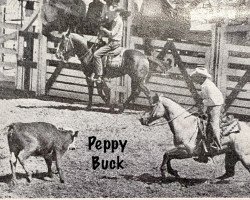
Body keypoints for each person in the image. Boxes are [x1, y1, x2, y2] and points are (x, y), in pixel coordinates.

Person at [190, 67, 224, 161]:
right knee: (203, 125)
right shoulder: (205, 84)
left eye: (196, 77)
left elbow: (212, 100)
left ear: (201, 77)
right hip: (212, 104)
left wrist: (203, 102)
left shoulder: (207, 86)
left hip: (215, 105)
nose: (195, 79)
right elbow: (205, 95)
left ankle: (217, 145)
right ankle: (203, 151)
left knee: (213, 125)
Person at [90, 0, 124, 83]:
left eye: (115, 12)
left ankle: (99, 75)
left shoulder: (118, 21)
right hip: (112, 42)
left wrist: (103, 29)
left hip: (113, 43)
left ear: (118, 12)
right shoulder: (115, 20)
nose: (113, 13)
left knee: (96, 54)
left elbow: (112, 34)